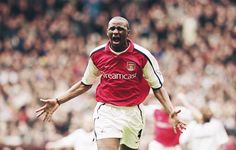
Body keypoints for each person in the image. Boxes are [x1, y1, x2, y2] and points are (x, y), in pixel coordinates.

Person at [36, 16, 186, 150]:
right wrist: (58, 100)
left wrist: (170, 110)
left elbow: (158, 88)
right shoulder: (97, 54)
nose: (115, 32)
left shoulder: (143, 56)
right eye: (112, 28)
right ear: (107, 31)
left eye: (120, 29)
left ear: (128, 33)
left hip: (133, 112)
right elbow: (85, 83)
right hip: (107, 111)